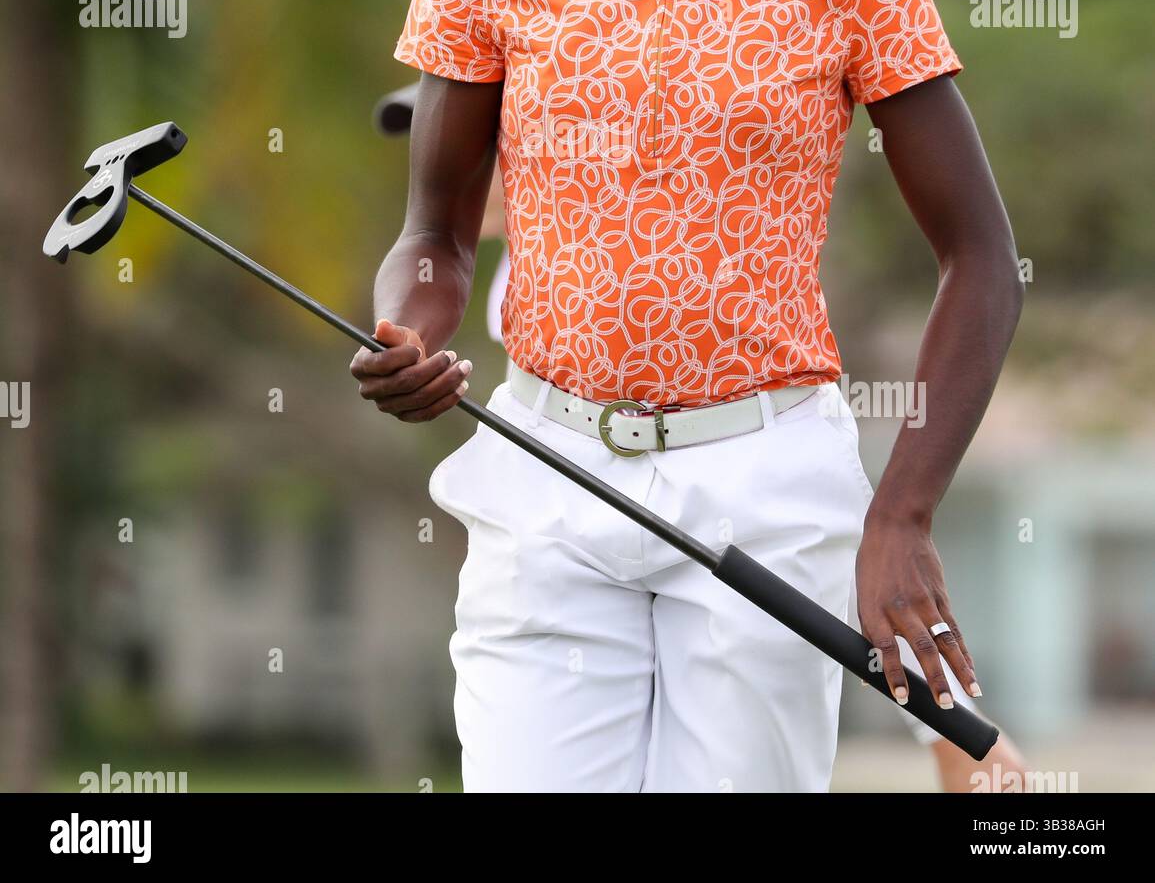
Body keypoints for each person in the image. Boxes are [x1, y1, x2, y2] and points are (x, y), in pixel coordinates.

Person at [351, 0, 1025, 793]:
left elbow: (981, 259)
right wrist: (410, 331)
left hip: (768, 485)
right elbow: (437, 238)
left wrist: (902, 515)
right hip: (547, 475)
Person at [373, 82, 1029, 791]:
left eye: (496, 141)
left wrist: (940, 719)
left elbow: (815, 542)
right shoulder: (525, 285)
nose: (474, 161)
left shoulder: (655, 268)